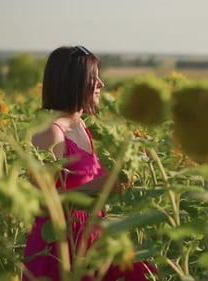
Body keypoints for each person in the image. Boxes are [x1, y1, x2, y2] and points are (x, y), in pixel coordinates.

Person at [22, 45, 156, 281]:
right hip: (60, 247)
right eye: (94, 78)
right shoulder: (50, 133)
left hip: (91, 238)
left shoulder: (81, 126)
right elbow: (38, 203)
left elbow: (84, 181)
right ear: (72, 83)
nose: (101, 84)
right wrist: (99, 186)